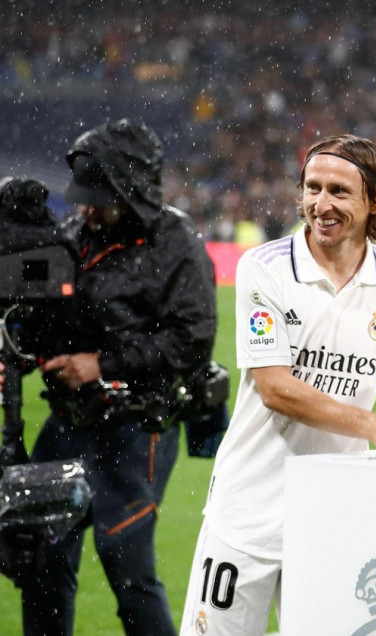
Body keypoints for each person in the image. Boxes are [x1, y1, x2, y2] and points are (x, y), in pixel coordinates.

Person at [179, 134, 376, 636]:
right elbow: (275, 389)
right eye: (313, 188)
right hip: (248, 508)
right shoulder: (264, 269)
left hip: (334, 514)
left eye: (338, 191)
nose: (321, 204)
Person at [0, 118, 218, 635]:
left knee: (126, 562)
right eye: (82, 195)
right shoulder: (72, 236)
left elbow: (193, 338)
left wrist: (102, 364)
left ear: (130, 191)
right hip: (69, 420)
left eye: (98, 196)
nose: (84, 208)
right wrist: (20, 348)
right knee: (43, 562)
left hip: (137, 426)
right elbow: (42, 320)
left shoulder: (175, 241)